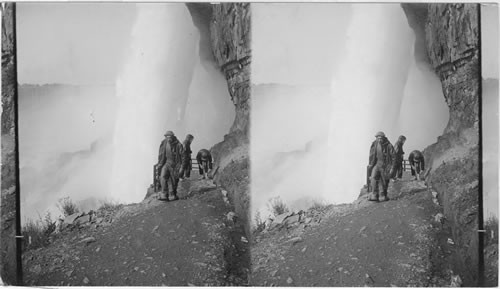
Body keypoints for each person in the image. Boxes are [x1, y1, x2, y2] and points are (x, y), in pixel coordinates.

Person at [157, 130, 185, 201]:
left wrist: (181, 167)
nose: (168, 138)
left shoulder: (178, 145)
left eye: (169, 137)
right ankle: (164, 194)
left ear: (173, 137)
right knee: (163, 176)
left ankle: (172, 195)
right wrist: (160, 164)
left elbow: (183, 157)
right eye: (167, 137)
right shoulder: (164, 143)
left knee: (174, 180)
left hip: (175, 165)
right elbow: (161, 154)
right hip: (166, 163)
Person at [368, 131, 395, 202]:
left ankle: (382, 196)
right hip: (377, 164)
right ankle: (374, 194)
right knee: (373, 177)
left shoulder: (388, 145)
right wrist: (371, 164)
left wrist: (392, 167)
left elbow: (394, 157)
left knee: (384, 180)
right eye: (378, 138)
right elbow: (371, 155)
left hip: (385, 165)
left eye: (381, 138)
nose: (379, 140)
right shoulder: (375, 144)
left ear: (383, 138)